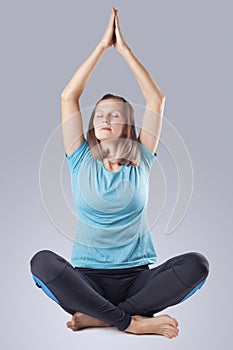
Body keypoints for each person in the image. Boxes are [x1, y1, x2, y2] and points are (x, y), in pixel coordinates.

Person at [30, 7, 209, 338]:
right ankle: (131, 322)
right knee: (41, 262)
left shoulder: (142, 157)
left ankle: (103, 318)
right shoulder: (79, 158)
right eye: (99, 116)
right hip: (86, 282)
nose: (104, 120)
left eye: (113, 115)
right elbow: (69, 96)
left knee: (197, 264)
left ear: (127, 124)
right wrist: (101, 47)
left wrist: (124, 50)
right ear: (92, 126)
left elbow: (156, 99)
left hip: (138, 282)